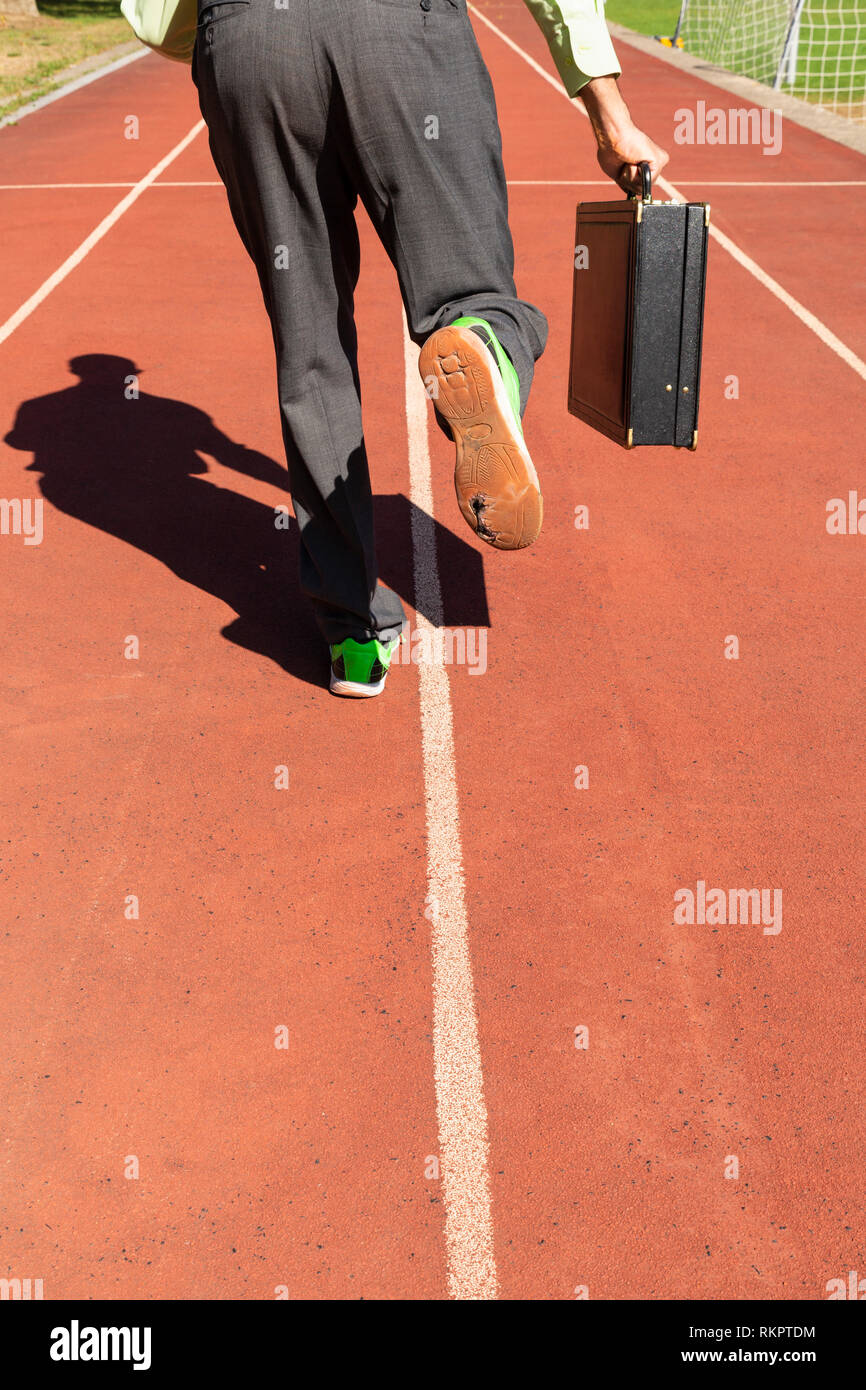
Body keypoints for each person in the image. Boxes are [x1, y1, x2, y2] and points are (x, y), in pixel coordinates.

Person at [192, 0, 668, 696]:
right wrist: (609, 112)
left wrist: (222, 40)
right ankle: (483, 344)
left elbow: (155, 17)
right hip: (397, 32)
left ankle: (351, 632)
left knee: (310, 341)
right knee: (471, 290)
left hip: (249, 43)